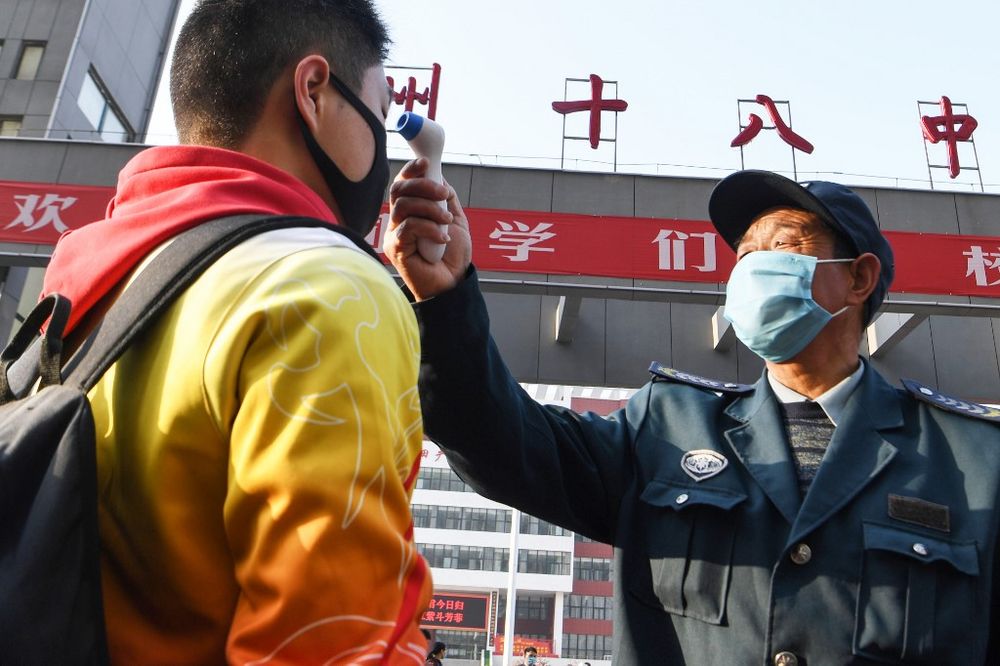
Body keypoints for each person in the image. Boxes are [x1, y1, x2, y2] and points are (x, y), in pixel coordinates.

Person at [385, 165, 1000, 664]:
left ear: (860, 278)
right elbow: (507, 445)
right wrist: (444, 298)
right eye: (746, 254)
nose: (757, 267)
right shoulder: (667, 426)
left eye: (784, 246)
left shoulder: (971, 459)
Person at [40, 1, 432, 663]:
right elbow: (329, 643)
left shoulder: (82, 277)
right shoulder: (325, 289)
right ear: (314, 91)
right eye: (378, 105)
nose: (382, 143)